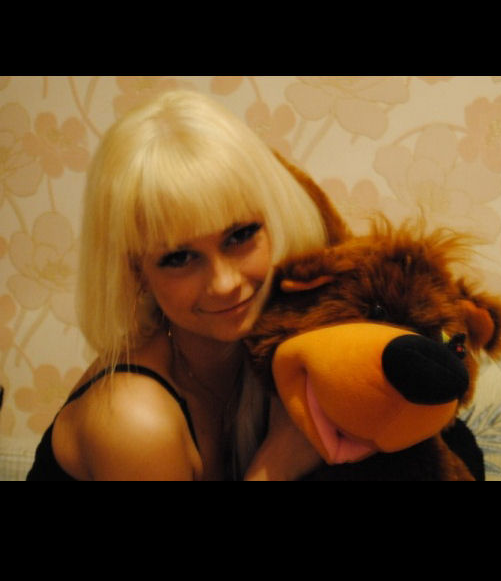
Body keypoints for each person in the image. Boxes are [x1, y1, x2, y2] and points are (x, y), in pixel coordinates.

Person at [26, 89, 330, 481]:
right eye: (179, 258)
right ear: (137, 272)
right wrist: (278, 462)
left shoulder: (264, 349)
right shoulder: (134, 421)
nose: (224, 283)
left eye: (240, 235)